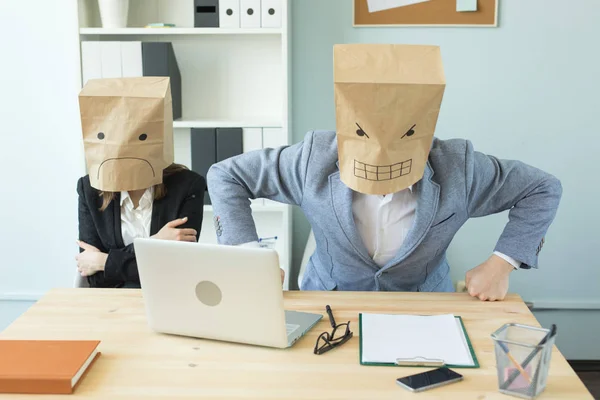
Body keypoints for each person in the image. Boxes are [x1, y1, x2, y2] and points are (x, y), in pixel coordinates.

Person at [206, 44, 562, 301]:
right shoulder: (312, 159)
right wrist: (248, 256)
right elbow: (225, 175)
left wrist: (502, 264)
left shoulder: (460, 167)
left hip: (424, 306)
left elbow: (542, 188)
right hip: (328, 303)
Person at [75, 76, 205, 288]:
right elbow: (92, 274)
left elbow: (177, 268)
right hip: (111, 305)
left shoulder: (188, 186)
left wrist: (105, 261)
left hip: (169, 298)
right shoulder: (90, 189)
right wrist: (156, 243)